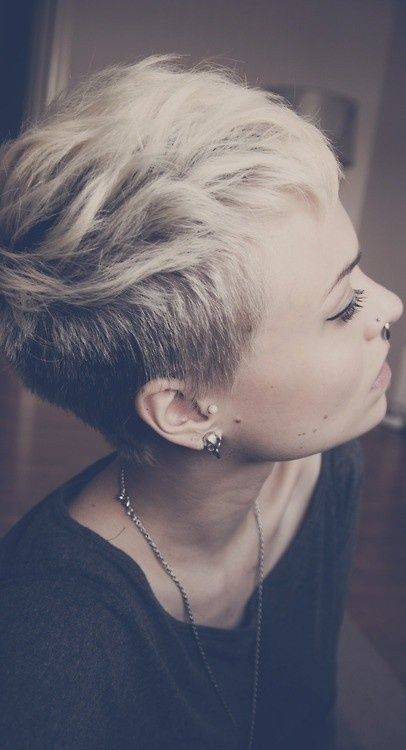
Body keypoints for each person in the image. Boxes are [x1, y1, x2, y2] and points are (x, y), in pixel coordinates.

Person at [0, 52, 403, 750]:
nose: (391, 306)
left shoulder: (326, 467)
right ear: (186, 410)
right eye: (342, 307)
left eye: (360, 272)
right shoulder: (50, 656)